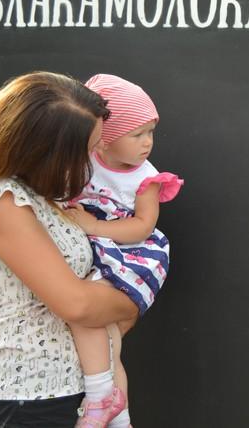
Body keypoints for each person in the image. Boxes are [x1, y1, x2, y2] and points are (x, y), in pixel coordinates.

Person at [0, 71, 138, 428]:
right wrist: (134, 296)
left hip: (76, 390)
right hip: (31, 402)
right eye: (87, 150)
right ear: (47, 151)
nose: (93, 161)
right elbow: (77, 304)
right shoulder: (0, 203)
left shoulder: (42, 193)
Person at [63, 73, 183, 428]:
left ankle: (99, 398)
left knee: (92, 318)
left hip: (131, 254)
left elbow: (142, 226)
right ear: (103, 138)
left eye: (151, 132)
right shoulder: (83, 163)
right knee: (108, 338)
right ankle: (119, 417)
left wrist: (95, 227)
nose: (147, 143)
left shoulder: (145, 177)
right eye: (137, 134)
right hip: (96, 248)